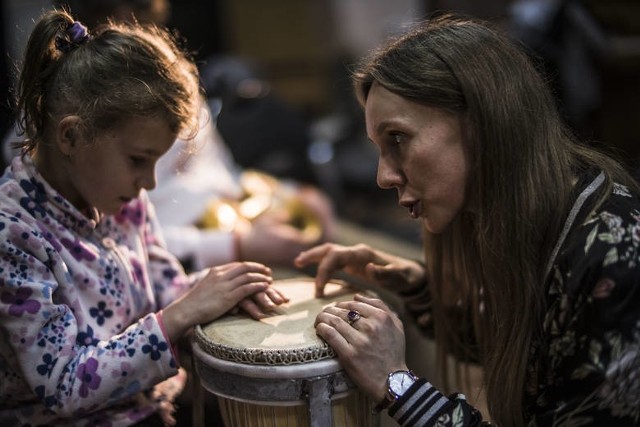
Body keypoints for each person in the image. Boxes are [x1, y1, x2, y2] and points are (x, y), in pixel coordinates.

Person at [294, 13, 640, 426]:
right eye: (379, 148)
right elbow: (532, 355)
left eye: (398, 139)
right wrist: (420, 288)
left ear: (479, 122)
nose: (383, 176)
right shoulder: (536, 216)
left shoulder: (613, 252)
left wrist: (397, 384)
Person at [0, 9, 287, 426]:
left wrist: (215, 292)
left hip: (149, 410)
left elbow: (165, 291)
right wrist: (181, 316)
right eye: (138, 160)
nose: (148, 183)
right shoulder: (13, 234)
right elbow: (63, 385)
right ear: (71, 135)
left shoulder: (123, 202)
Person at [45, 0, 336, 272]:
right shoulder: (69, 127)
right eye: (137, 160)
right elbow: (117, 245)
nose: (144, 43)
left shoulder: (168, 82)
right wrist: (234, 247)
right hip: (187, 253)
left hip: (231, 223)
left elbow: (220, 172)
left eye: (145, 24)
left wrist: (289, 193)